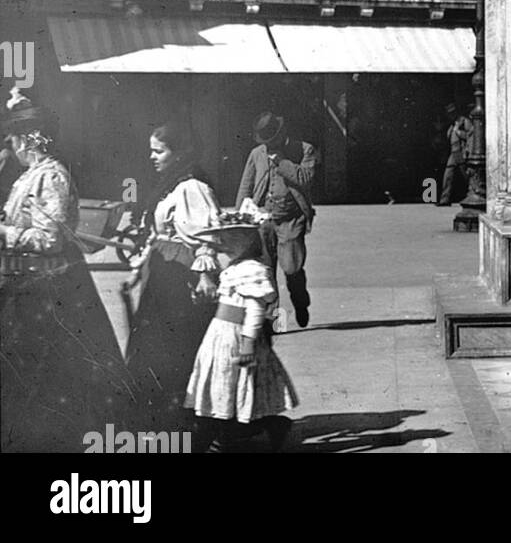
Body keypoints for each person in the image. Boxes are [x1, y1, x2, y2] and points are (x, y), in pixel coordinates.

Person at [0, 90, 132, 452]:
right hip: (26, 286)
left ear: (28, 139)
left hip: (50, 292)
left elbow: (51, 238)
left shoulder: (52, 176)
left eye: (13, 140)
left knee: (46, 377)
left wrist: (4, 232)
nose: (10, 148)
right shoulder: (29, 177)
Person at [123, 120, 223, 433]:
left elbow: (208, 236)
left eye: (159, 151)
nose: (152, 157)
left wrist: (206, 277)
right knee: (152, 352)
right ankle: (160, 424)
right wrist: (140, 270)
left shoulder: (192, 187)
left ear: (178, 152)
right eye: (151, 150)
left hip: (181, 282)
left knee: (174, 353)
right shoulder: (171, 182)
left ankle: (181, 426)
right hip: (162, 279)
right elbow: (160, 235)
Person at [185, 212, 297, 453]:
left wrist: (248, 343)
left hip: (237, 336)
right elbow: (229, 298)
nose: (222, 245)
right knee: (224, 384)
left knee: (238, 384)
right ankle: (244, 431)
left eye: (228, 239)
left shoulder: (252, 269)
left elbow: (256, 309)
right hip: (220, 334)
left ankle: (229, 438)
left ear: (244, 240)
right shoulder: (233, 267)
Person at [236, 113, 316, 329]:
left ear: (281, 134)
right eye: (265, 142)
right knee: (266, 271)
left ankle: (300, 302)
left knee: (291, 268)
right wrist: (239, 216)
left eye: (272, 140)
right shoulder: (256, 154)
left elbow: (305, 178)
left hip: (290, 219)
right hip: (263, 218)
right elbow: (246, 185)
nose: (268, 145)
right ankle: (274, 322)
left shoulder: (304, 150)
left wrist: (281, 161)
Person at [438, 103, 473, 206]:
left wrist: (458, 132)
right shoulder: (453, 123)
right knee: (448, 174)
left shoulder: (464, 121)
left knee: (466, 175)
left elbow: (470, 136)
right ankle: (444, 200)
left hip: (461, 152)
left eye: (452, 113)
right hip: (454, 152)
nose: (450, 115)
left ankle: (473, 194)